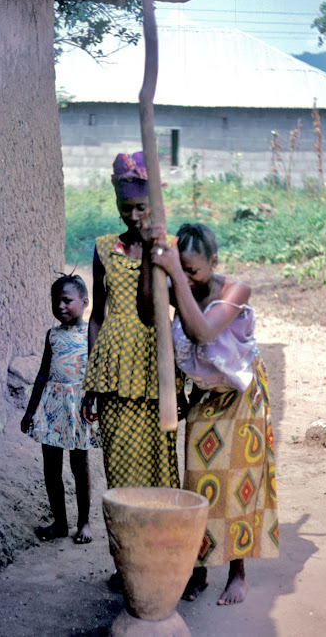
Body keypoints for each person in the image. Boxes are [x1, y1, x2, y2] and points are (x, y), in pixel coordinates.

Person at [139, 222, 279, 606]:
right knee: (198, 483)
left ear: (214, 262)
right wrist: (152, 261)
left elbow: (201, 333)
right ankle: (198, 568)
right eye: (181, 270)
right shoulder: (182, 286)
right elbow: (146, 313)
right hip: (205, 396)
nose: (188, 278)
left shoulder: (235, 291)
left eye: (194, 270)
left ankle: (238, 573)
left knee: (238, 483)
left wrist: (174, 278)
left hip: (241, 397)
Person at [80, 151, 179, 491]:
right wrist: (92, 379)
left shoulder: (170, 248)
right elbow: (96, 317)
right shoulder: (104, 248)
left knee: (159, 469)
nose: (133, 215)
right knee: (119, 468)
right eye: (126, 207)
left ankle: (159, 543)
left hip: (155, 368)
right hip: (113, 373)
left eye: (141, 206)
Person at [21, 273, 100, 544]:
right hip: (52, 406)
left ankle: (84, 522)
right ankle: (61, 522)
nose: (61, 307)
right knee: (51, 467)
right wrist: (30, 411)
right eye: (56, 302)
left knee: (80, 465)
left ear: (85, 302)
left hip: (78, 406)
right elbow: (43, 374)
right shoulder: (52, 335)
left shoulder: (90, 331)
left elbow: (96, 372)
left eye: (67, 300)